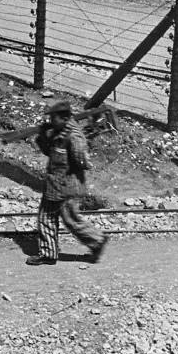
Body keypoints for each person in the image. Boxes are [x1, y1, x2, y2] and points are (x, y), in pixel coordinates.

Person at [26, 101, 108, 266]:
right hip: (54, 185)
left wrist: (69, 169)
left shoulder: (74, 136)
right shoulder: (58, 133)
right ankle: (48, 254)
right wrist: (42, 136)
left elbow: (82, 162)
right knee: (46, 218)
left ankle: (97, 240)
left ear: (64, 118)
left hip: (68, 186)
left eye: (53, 118)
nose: (51, 121)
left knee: (71, 220)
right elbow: (48, 152)